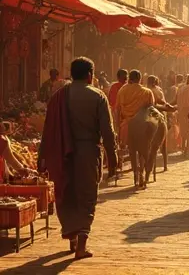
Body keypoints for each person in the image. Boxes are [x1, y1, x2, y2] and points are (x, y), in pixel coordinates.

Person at [38, 57, 117, 260]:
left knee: (67, 193)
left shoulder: (58, 97)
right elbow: (107, 132)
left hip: (61, 153)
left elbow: (47, 131)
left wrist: (42, 157)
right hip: (88, 152)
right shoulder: (98, 96)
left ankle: (72, 239)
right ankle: (81, 244)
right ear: (90, 75)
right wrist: (113, 157)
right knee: (87, 196)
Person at [117, 70, 155, 146]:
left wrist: (118, 126)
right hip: (143, 126)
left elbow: (118, 109)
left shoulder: (122, 90)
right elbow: (151, 108)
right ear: (140, 79)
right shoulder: (147, 92)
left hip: (126, 126)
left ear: (129, 78)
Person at [176, 74, 189, 156]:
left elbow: (176, 100)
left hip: (183, 111)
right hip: (188, 111)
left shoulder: (181, 88)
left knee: (185, 131)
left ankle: (185, 149)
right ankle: (188, 149)